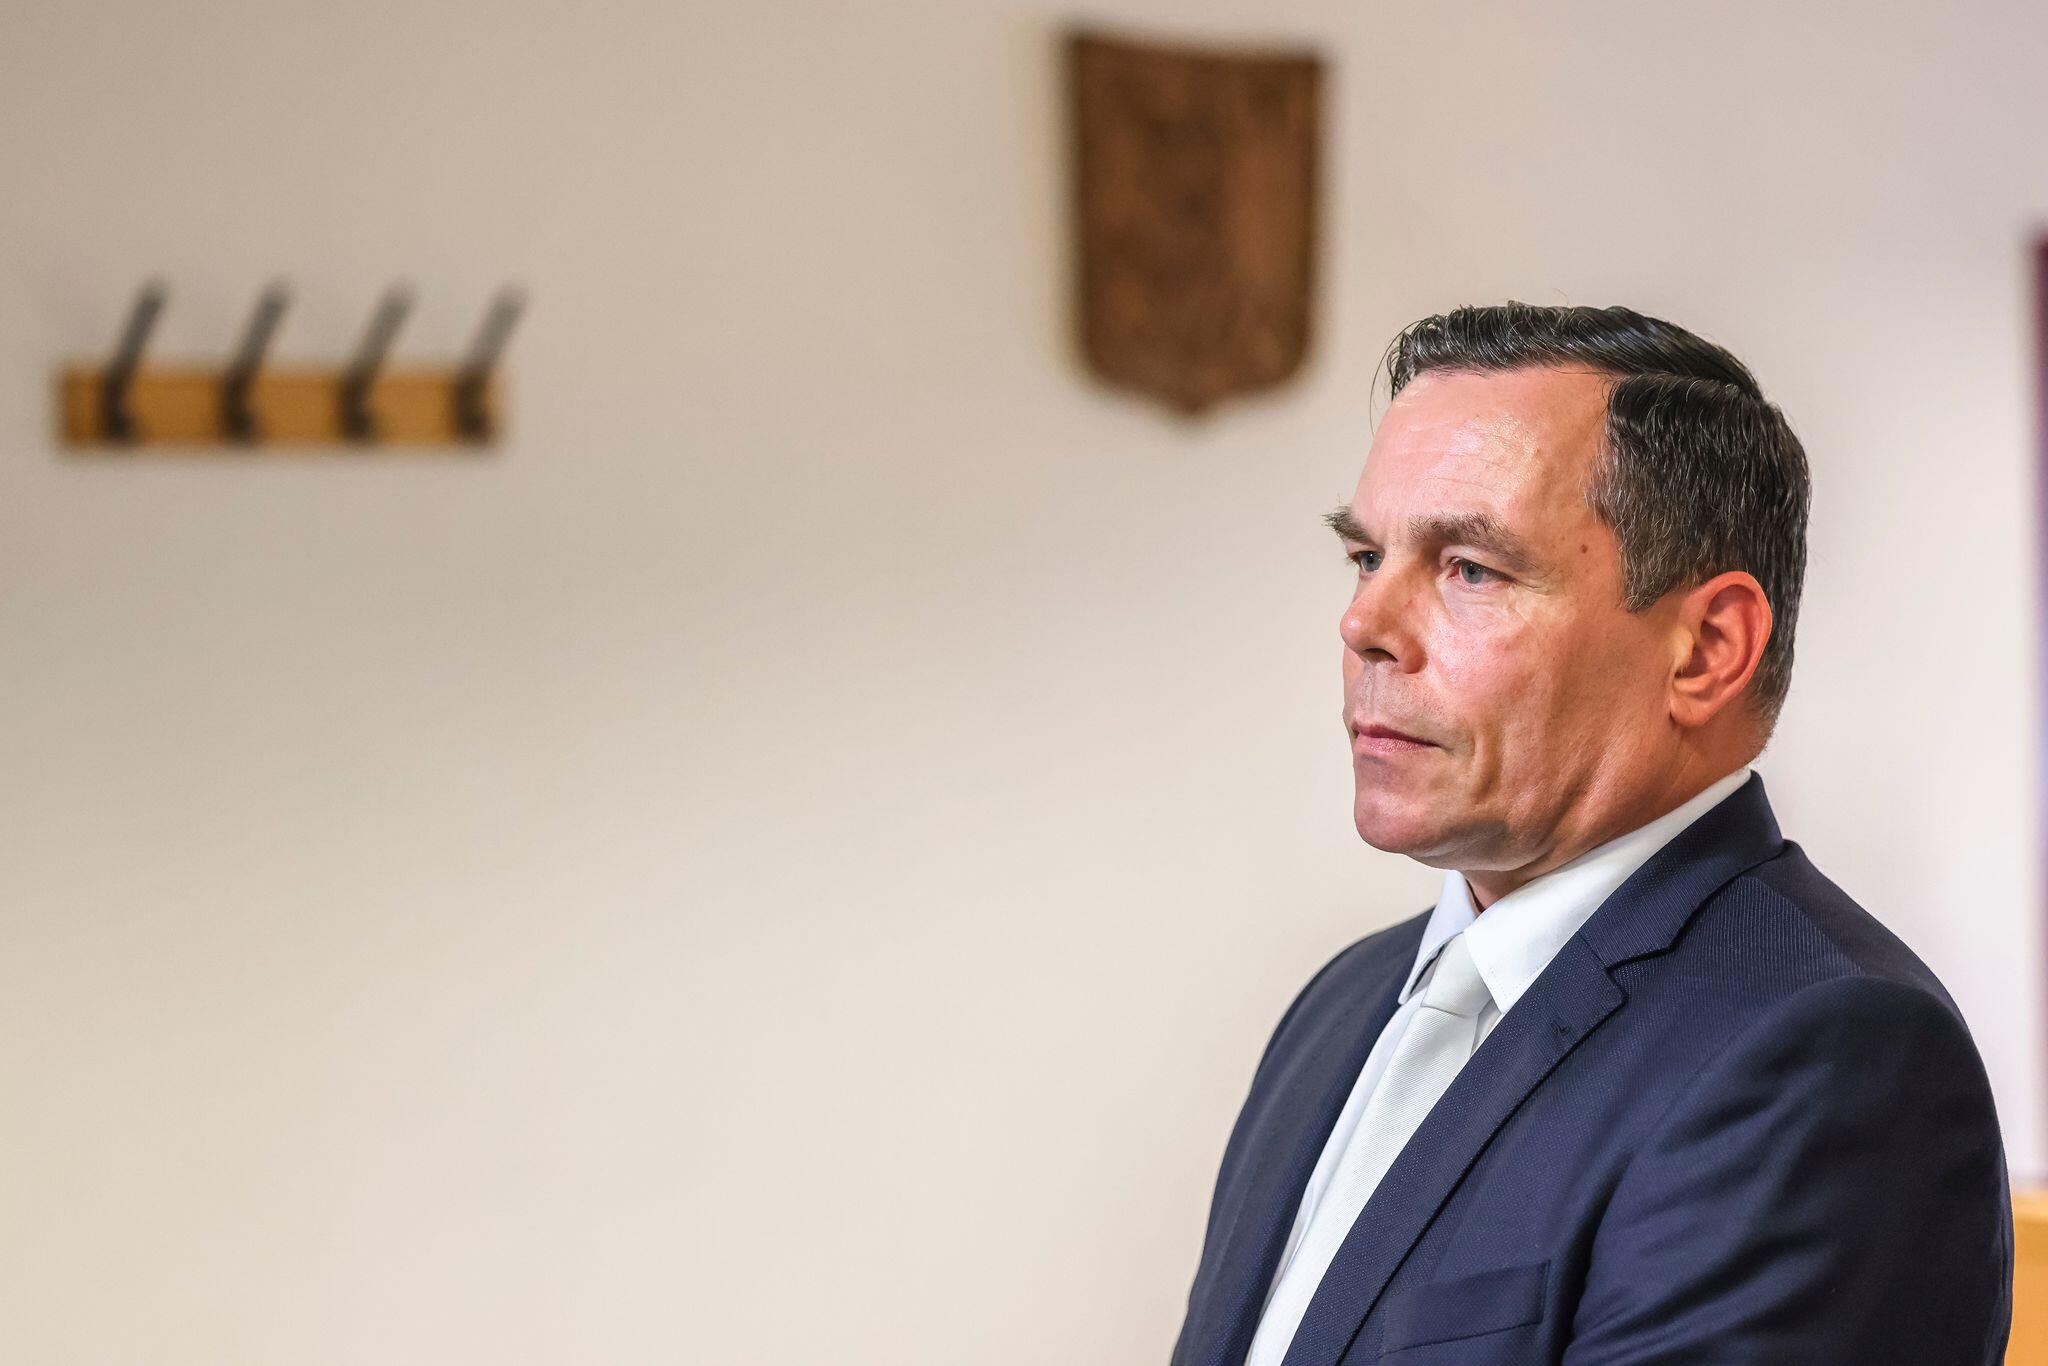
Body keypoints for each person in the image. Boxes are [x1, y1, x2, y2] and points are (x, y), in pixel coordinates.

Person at [1169, 304, 2014, 1366]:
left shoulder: (1828, 1061)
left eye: (1469, 568)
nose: (1364, 624)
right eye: (1365, 555)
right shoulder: (1340, 1007)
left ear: (1706, 649)